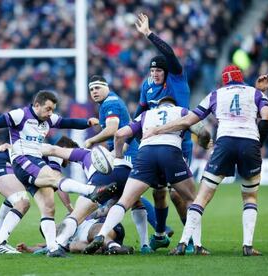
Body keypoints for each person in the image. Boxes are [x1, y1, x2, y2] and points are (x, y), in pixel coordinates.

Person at [0, 90, 116, 257]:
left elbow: (67, 122)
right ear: (36, 105)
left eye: (52, 109)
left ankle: (53, 249)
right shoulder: (20, 115)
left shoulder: (47, 119)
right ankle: (91, 191)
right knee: (54, 177)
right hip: (23, 160)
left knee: (48, 207)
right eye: (48, 109)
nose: (50, 113)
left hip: (34, 161)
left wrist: (87, 123)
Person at [143, 65, 268, 256]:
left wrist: (158, 129)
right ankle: (247, 246)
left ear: (224, 80)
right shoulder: (255, 93)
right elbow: (267, 116)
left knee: (202, 197)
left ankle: (183, 243)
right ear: (241, 78)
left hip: (224, 143)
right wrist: (258, 142)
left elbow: (188, 121)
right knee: (250, 197)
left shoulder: (215, 95)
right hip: (250, 143)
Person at [82, 96, 211, 255]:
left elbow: (120, 134)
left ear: (158, 105)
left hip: (146, 155)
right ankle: (196, 245)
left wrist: (118, 156)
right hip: (170, 152)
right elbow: (203, 133)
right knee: (192, 200)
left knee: (125, 201)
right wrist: (205, 144)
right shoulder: (182, 111)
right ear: (173, 105)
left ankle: (102, 234)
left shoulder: (146, 115)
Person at [134, 13, 193, 251]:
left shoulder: (177, 81)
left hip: (180, 144)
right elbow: (139, 114)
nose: (155, 73)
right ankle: (159, 234)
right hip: (155, 145)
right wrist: (136, 139)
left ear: (167, 72)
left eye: (159, 71)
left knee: (179, 195)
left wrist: (149, 34)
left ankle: (188, 238)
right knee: (158, 192)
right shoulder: (146, 87)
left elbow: (169, 54)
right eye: (152, 71)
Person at [84, 75, 152, 253]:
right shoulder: (110, 102)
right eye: (91, 89)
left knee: (121, 194)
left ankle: (92, 225)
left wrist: (92, 140)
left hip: (126, 156)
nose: (94, 92)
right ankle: (150, 239)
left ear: (106, 87)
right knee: (133, 197)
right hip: (124, 153)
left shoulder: (110, 103)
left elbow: (112, 129)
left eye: (98, 88)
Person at [0, 137, 75, 254]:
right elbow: (57, 179)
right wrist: (70, 208)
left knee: (13, 201)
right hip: (2, 161)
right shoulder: (56, 153)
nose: (70, 160)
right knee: (22, 202)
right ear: (65, 149)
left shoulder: (42, 151)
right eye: (71, 155)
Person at [40, 136, 130, 254]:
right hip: (128, 172)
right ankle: (143, 244)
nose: (69, 163)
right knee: (124, 206)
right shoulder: (100, 153)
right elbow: (107, 209)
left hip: (103, 175)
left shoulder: (82, 153)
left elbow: (53, 150)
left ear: (67, 149)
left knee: (77, 215)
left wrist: (26, 150)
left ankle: (59, 244)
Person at [16, 218, 133, 255]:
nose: (55, 227)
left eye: (54, 225)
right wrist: (28, 248)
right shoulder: (60, 242)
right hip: (92, 239)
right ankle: (104, 248)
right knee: (72, 246)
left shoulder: (70, 220)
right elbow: (44, 247)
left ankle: (111, 246)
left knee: (94, 231)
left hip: (104, 226)